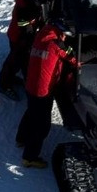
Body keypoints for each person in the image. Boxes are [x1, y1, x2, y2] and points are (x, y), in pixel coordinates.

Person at [16, 19, 75, 169]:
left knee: (31, 111)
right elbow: (75, 60)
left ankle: (21, 138)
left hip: (31, 83)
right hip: (43, 89)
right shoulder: (56, 44)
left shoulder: (41, 35)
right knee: (42, 125)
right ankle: (30, 157)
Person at [0, 0, 56, 99]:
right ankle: (4, 84)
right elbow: (26, 29)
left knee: (25, 59)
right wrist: (35, 39)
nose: (42, 4)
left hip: (27, 35)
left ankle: (14, 77)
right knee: (14, 61)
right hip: (18, 37)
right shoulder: (23, 9)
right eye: (40, 3)